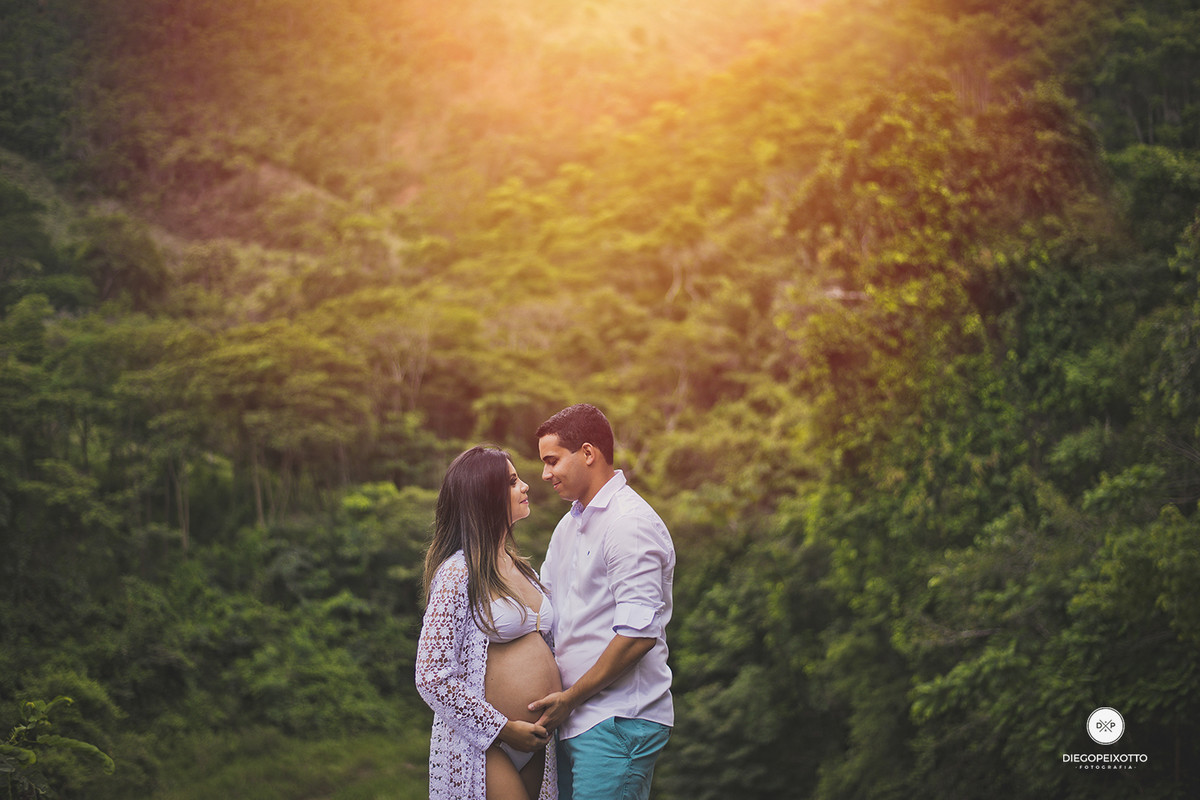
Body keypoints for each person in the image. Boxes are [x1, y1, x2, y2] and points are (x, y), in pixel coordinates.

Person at [528, 404, 675, 800]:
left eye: (552, 460)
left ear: (588, 453)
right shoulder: (567, 526)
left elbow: (638, 635)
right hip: (572, 719)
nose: (545, 474)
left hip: (617, 719)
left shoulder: (630, 524)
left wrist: (569, 699)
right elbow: (546, 612)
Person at [416, 445, 561, 800]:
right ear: (486, 496)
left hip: (537, 741)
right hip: (487, 743)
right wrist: (502, 729)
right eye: (512, 482)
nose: (525, 486)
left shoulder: (523, 568)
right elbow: (431, 675)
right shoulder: (457, 573)